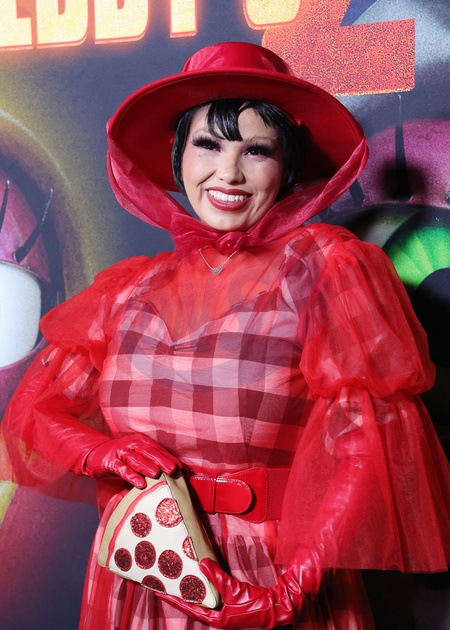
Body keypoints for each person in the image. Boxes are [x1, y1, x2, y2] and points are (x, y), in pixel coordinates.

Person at [2, 41, 449, 629]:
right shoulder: (128, 290)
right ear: (178, 157)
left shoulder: (325, 268)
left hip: (272, 575)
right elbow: (36, 414)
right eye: (208, 145)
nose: (228, 172)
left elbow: (367, 448)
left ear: (286, 167)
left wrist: (290, 591)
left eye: (255, 150)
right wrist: (101, 451)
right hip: (146, 572)